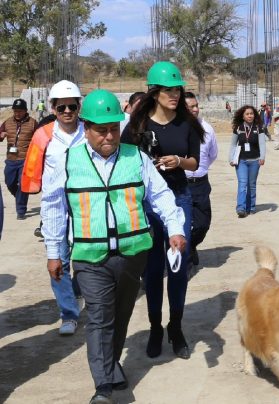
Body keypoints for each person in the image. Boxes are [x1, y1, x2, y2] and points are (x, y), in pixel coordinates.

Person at [41, 89, 186, 404]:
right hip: (89, 257)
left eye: (113, 129)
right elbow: (53, 207)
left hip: (132, 254)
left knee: (120, 315)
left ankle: (111, 364)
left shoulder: (136, 157)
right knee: (98, 316)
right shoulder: (67, 160)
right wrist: (54, 252)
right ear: (86, 128)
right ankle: (103, 388)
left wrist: (175, 228)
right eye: (101, 130)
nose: (109, 136)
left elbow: (160, 195)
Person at [121, 61, 204, 360]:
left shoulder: (187, 124)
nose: (175, 95)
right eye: (169, 90)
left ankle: (176, 327)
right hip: (148, 204)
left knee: (178, 265)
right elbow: (124, 161)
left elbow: (195, 162)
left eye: (178, 90)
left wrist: (178, 161)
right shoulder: (137, 126)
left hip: (180, 197)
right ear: (155, 93)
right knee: (154, 269)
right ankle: (155, 327)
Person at [23, 80, 85, 336]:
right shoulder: (43, 135)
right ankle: (68, 314)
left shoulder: (90, 131)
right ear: (52, 108)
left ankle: (80, 295)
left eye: (72, 106)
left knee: (87, 261)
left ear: (79, 107)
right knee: (57, 261)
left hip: (86, 208)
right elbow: (33, 170)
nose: (67, 111)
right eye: (61, 107)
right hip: (56, 207)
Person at [184, 92, 218, 266]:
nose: (195, 109)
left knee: (203, 223)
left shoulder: (207, 129)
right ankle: (185, 258)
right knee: (182, 224)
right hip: (180, 184)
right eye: (189, 107)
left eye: (196, 105)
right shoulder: (175, 130)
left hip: (200, 183)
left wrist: (199, 169)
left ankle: (191, 245)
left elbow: (213, 154)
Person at [0, 99, 38, 220]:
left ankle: (21, 210)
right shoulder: (7, 122)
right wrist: (1, 136)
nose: (17, 113)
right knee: (9, 182)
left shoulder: (33, 123)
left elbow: (39, 139)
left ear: (25, 111)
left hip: (26, 160)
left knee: (22, 183)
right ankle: (20, 197)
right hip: (11, 159)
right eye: (15, 111)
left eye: (20, 111)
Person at [229, 105, 266, 218]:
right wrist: (231, 158)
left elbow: (262, 144)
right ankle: (241, 207)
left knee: (252, 185)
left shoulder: (258, 128)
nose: (250, 116)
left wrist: (262, 157)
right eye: (247, 114)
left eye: (251, 114)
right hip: (241, 161)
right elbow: (233, 144)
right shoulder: (238, 128)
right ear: (243, 116)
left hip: (255, 161)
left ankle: (251, 207)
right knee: (242, 183)